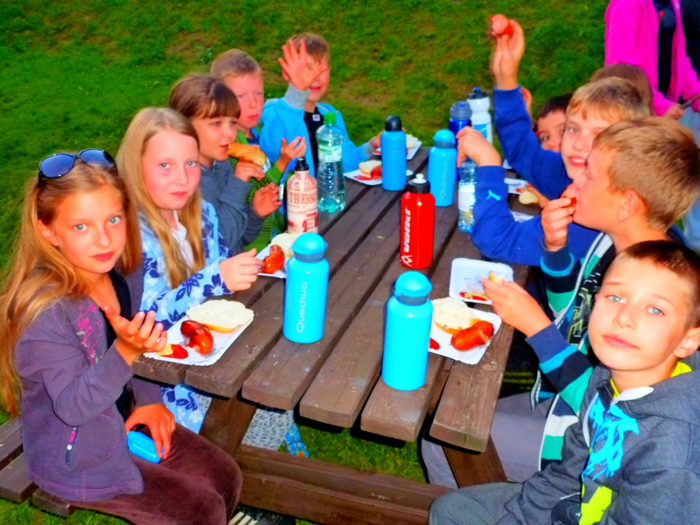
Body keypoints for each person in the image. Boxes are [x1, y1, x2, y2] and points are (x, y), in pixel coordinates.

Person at [423, 117, 699, 487]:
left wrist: (536, 327)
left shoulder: (655, 292)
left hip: (591, 441)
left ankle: (538, 502)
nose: (575, 182)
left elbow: (607, 403)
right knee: (457, 410)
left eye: (589, 175)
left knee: (443, 443)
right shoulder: (612, 244)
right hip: (557, 398)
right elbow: (569, 312)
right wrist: (555, 251)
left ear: (625, 205)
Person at [0, 152, 242, 524]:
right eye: (81, 226)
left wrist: (148, 399)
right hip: (77, 453)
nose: (104, 239)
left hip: (121, 417)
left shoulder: (121, 274)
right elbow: (73, 408)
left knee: (226, 476)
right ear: (48, 231)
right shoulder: (47, 314)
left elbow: (136, 343)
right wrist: (125, 352)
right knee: (200, 511)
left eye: (114, 219)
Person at [430, 240, 700, 524]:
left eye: (655, 310)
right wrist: (521, 516)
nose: (624, 318)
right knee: (452, 510)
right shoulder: (607, 380)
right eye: (615, 297)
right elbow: (571, 470)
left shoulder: (673, 451)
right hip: (576, 501)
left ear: (688, 341)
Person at [168, 73, 282, 254]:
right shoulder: (185, 183)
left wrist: (255, 212)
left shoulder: (222, 165)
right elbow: (219, 243)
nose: (230, 134)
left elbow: (239, 238)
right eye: (216, 123)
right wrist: (238, 183)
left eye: (232, 123)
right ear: (184, 126)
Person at [210, 48, 305, 251]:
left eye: (258, 93)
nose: (253, 104)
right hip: (253, 246)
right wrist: (282, 163)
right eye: (241, 96)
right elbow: (257, 192)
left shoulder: (262, 130)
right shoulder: (230, 147)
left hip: (278, 235)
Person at [260, 33, 382, 176]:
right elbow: (271, 149)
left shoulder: (329, 115)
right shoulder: (275, 112)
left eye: (322, 70)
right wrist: (296, 92)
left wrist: (370, 147)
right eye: (307, 69)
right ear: (287, 73)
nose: (316, 77)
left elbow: (347, 165)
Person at [605, 0, 700, 118]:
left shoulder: (673, 3)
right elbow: (621, 69)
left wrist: (696, 95)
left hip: (663, 108)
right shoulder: (626, 4)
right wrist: (659, 105)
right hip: (636, 110)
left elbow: (679, 59)